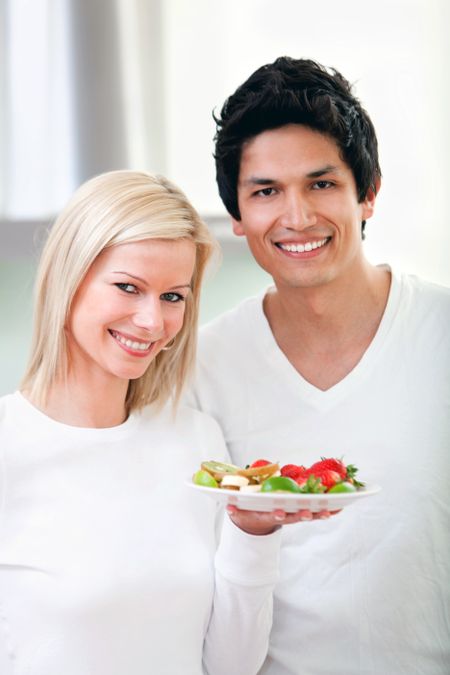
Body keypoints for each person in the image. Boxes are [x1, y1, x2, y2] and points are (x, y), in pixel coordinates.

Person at [0, 170, 321, 675]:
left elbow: (231, 664)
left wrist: (253, 534)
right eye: (129, 287)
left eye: (173, 296)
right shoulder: (8, 447)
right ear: (69, 277)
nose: (152, 322)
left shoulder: (196, 440)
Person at [187, 58, 450, 674]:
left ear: (369, 194)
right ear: (237, 215)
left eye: (322, 184)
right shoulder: (203, 366)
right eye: (266, 191)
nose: (297, 216)